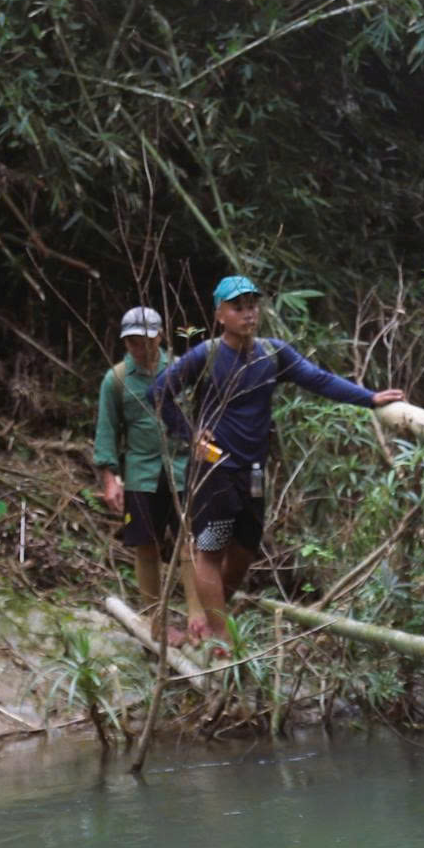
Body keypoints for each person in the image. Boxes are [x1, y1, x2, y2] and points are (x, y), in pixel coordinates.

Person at [151, 275, 405, 649]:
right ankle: (221, 640)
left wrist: (368, 398)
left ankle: (211, 615)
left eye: (252, 306)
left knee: (245, 549)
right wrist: (189, 434)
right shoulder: (204, 356)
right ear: (220, 314)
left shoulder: (272, 354)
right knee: (211, 549)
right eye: (238, 308)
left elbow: (317, 379)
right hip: (214, 470)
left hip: (253, 470)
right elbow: (159, 393)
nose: (248, 314)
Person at [94, 305, 210, 644]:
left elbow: (200, 417)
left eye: (143, 340)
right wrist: (110, 478)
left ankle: (196, 617)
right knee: (145, 545)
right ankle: (154, 621)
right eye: (130, 341)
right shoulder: (115, 379)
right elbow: (106, 431)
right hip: (141, 472)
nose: (137, 347)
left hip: (181, 469)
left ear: (159, 336)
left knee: (189, 541)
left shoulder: (180, 371)